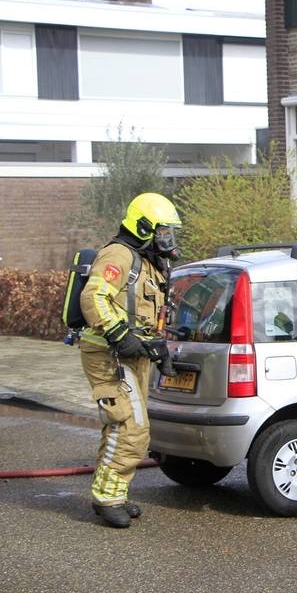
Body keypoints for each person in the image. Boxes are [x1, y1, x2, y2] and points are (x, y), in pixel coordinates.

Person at [79, 193, 181, 528]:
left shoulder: (146, 260)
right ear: (143, 227)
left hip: (131, 355)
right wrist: (119, 335)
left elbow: (143, 315)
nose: (168, 238)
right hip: (109, 353)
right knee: (131, 427)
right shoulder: (119, 255)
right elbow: (94, 296)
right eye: (163, 230)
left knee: (120, 425)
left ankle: (111, 494)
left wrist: (157, 348)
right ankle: (108, 498)